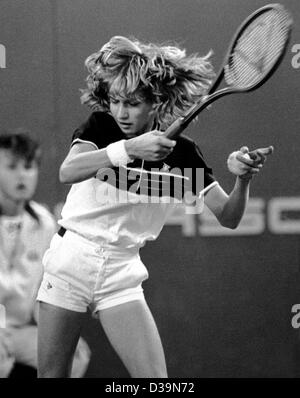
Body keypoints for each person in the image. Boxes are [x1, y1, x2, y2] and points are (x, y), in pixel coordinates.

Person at [37, 36, 273, 378]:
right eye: (115, 101)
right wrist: (130, 148)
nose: (121, 112)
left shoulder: (184, 155)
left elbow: (229, 217)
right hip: (71, 260)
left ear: (156, 101)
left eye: (132, 103)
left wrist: (243, 179)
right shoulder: (101, 128)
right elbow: (67, 171)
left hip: (121, 272)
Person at [0, 131, 90, 378]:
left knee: (72, 355)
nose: (21, 175)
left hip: (21, 329)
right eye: (11, 167)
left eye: (28, 167)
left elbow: (46, 286)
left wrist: (55, 333)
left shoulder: (44, 222)